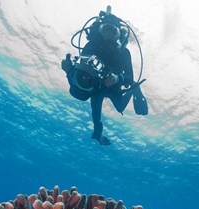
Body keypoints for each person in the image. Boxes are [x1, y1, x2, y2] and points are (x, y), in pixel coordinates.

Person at [61, 7, 147, 145]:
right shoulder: (91, 45)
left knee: (120, 108)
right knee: (95, 117)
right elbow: (80, 71)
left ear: (119, 35)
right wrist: (69, 70)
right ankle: (98, 135)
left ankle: (136, 90)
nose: (108, 34)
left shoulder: (124, 53)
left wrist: (117, 78)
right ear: (99, 29)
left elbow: (129, 78)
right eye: (105, 29)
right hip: (95, 86)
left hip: (113, 86)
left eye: (113, 31)